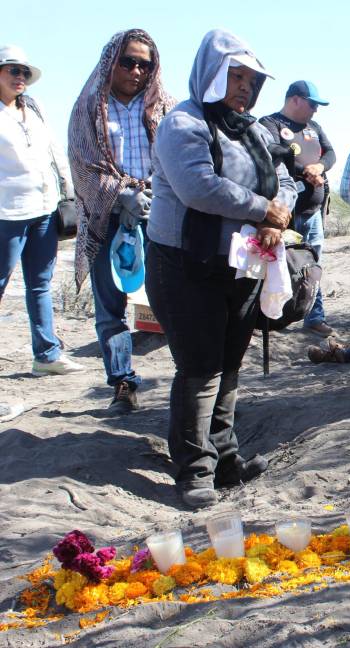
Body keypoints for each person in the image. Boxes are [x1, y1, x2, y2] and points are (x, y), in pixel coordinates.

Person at [145, 29, 297, 509]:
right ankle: (194, 469)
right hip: (185, 264)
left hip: (240, 263)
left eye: (253, 80)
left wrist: (276, 217)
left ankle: (225, 459)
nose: (245, 88)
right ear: (212, 74)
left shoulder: (252, 130)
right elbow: (198, 187)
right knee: (200, 366)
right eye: (236, 77)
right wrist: (262, 209)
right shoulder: (182, 123)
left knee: (229, 362)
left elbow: (285, 181)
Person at [69, 29, 175, 415]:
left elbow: (180, 155)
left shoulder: (165, 107)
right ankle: (123, 382)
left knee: (171, 296)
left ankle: (191, 378)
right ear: (111, 62)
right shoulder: (88, 108)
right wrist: (120, 194)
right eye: (128, 62)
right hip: (107, 216)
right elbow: (82, 164)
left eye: (144, 64)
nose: (136, 71)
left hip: (158, 211)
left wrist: (155, 192)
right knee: (110, 304)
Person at [0, 45, 85, 377]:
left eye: (24, 72)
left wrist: (68, 192)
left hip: (44, 209)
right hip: (7, 212)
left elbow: (53, 151)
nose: (20, 77)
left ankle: (47, 356)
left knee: (40, 284)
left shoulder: (34, 108)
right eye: (13, 70)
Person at [259, 80, 335, 336]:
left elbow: (330, 153)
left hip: (314, 212)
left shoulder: (314, 127)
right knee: (276, 264)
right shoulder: (269, 124)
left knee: (313, 266)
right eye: (312, 104)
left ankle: (314, 317)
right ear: (295, 100)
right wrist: (305, 171)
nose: (315, 110)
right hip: (284, 213)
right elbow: (272, 157)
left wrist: (319, 167)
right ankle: (265, 317)